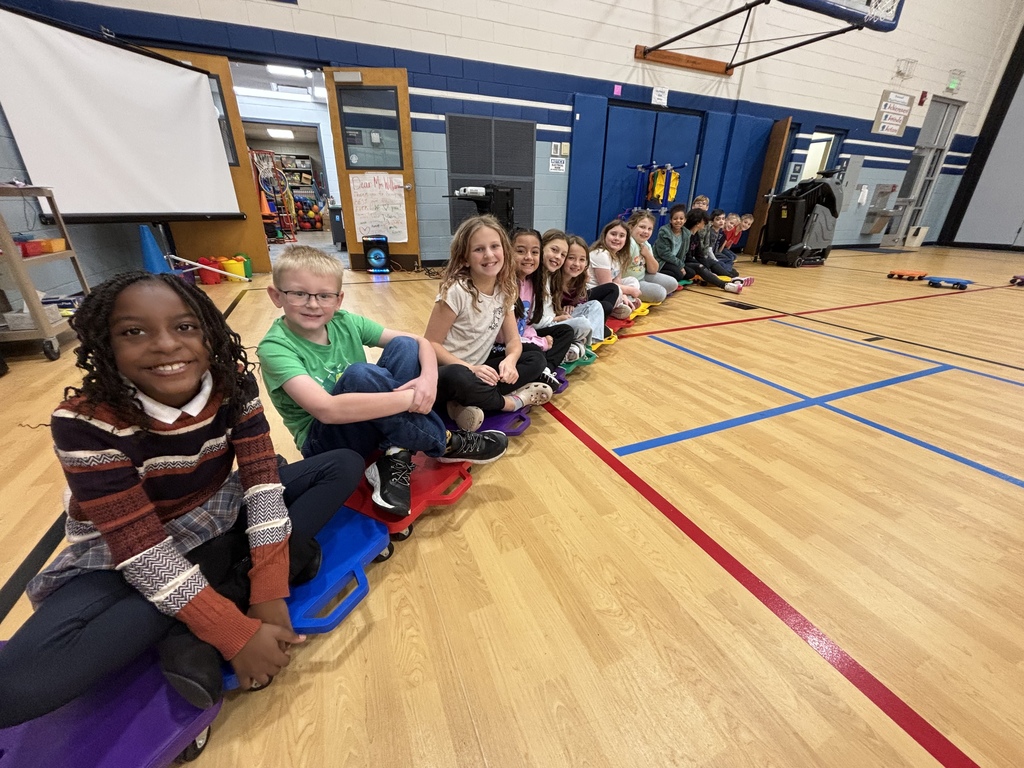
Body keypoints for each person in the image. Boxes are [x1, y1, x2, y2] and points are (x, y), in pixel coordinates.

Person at [0, 271, 366, 728]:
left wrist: (269, 591)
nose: (167, 344)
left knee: (342, 465)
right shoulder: (85, 422)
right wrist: (233, 633)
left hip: (218, 511)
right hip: (129, 552)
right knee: (14, 690)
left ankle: (207, 608)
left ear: (209, 333)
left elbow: (262, 484)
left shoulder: (231, 383)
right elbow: (139, 546)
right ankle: (207, 608)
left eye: (185, 326)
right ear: (103, 344)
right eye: (134, 332)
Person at [257, 246, 508, 519]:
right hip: (326, 441)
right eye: (299, 293)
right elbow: (326, 410)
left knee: (403, 345)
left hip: (369, 421)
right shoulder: (275, 347)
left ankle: (395, 455)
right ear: (276, 295)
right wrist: (413, 399)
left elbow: (420, 341)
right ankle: (445, 442)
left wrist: (428, 381)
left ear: (339, 299)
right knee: (359, 375)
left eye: (324, 295)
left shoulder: (344, 321)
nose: (313, 304)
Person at [425, 215, 553, 433]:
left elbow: (513, 339)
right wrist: (471, 369)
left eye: (495, 246)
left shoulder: (506, 289)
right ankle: (511, 402)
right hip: (450, 372)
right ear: (465, 258)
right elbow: (430, 344)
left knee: (536, 357)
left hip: (481, 370)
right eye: (479, 249)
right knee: (460, 377)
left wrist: (511, 361)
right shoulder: (457, 291)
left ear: (504, 250)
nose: (489, 255)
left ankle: (460, 406)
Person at [509, 228, 574, 388]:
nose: (528, 257)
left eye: (534, 252)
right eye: (521, 251)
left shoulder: (530, 283)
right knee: (536, 356)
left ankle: (545, 369)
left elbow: (527, 322)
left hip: (522, 337)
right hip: (508, 343)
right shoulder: (507, 286)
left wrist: (536, 339)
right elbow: (507, 336)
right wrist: (538, 342)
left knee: (566, 332)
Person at [536, 229, 601, 362]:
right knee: (582, 323)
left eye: (562, 254)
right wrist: (557, 318)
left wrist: (569, 307)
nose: (558, 257)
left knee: (596, 306)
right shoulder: (547, 276)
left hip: (555, 318)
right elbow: (535, 318)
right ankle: (578, 345)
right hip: (547, 324)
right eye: (554, 250)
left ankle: (584, 344)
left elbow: (578, 299)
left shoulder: (549, 274)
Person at [563, 234, 616, 344]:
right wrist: (560, 308)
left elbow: (582, 298)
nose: (576, 264)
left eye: (582, 259)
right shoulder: (554, 279)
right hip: (558, 317)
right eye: (571, 258)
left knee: (603, 303)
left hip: (574, 311)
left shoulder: (580, 277)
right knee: (583, 322)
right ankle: (590, 335)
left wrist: (573, 304)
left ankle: (591, 341)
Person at [681, 210, 748, 293]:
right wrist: (706, 269)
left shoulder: (696, 234)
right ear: (698, 223)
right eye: (704, 222)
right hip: (684, 262)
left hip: (691, 259)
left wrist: (708, 267)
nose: (705, 224)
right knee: (700, 267)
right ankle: (725, 285)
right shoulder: (686, 235)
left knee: (711, 262)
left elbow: (699, 254)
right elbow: (686, 257)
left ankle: (732, 278)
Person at [625, 210, 682, 302]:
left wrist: (647, 255)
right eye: (642, 227)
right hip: (630, 282)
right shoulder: (629, 244)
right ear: (631, 227)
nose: (646, 231)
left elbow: (653, 270)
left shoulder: (646, 244)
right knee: (660, 293)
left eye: (649, 229)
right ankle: (628, 294)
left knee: (673, 283)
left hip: (643, 276)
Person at [588, 219, 640, 318]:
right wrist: (631, 291)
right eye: (613, 234)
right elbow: (607, 286)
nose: (617, 238)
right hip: (593, 292)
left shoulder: (618, 256)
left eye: (621, 236)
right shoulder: (601, 254)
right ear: (605, 236)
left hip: (610, 290)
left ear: (626, 240)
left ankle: (623, 303)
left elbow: (617, 281)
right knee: (618, 289)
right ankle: (621, 305)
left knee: (633, 280)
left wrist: (624, 294)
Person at [653, 204, 698, 284]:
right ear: (670, 220)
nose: (678, 221)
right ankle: (655, 275)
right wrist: (680, 265)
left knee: (691, 273)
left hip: (674, 261)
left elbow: (684, 252)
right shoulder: (664, 232)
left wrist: (680, 265)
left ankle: (673, 274)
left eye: (681, 218)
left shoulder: (686, 233)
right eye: (675, 218)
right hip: (662, 260)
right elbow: (664, 254)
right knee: (679, 275)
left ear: (685, 220)